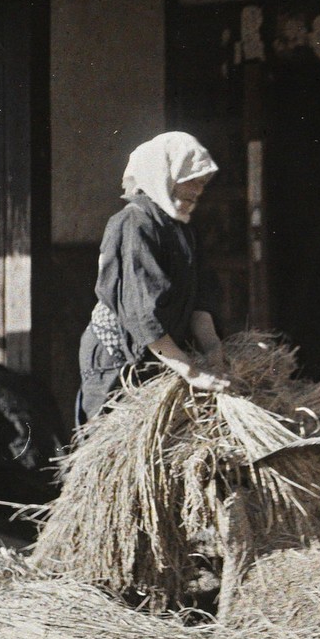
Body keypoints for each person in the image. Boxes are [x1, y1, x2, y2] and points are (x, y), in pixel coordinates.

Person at [76, 131, 232, 424]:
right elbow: (143, 313)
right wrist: (192, 372)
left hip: (161, 354)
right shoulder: (135, 224)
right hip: (120, 357)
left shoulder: (183, 229)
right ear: (165, 175)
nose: (199, 191)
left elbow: (201, 297)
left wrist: (212, 350)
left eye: (203, 183)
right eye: (193, 180)